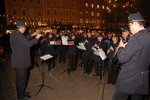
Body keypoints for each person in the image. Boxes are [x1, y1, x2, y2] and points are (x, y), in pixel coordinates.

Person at [113, 12, 150, 100]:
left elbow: (122, 58)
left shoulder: (136, 38)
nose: (129, 28)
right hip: (141, 79)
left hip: (129, 78)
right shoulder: (148, 37)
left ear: (135, 24)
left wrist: (121, 47)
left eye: (130, 26)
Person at [10, 21, 41, 100]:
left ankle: (22, 92)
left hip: (21, 60)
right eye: (25, 28)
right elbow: (28, 44)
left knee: (22, 79)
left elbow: (24, 39)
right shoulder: (16, 34)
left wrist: (32, 35)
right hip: (20, 61)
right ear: (21, 27)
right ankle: (20, 96)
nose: (25, 29)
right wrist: (36, 38)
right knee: (21, 80)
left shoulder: (16, 34)